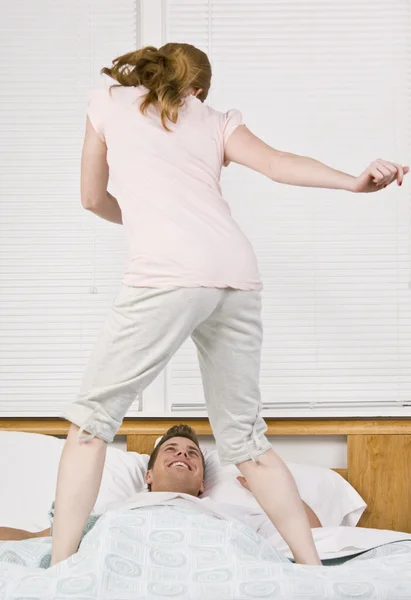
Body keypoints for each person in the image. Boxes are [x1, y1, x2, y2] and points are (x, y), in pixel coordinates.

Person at [51, 42, 409, 567]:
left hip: (169, 274)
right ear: (200, 88)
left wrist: (153, 223)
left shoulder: (107, 101)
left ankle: (59, 570)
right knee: (244, 439)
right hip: (237, 275)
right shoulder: (216, 120)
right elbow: (279, 163)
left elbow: (91, 198)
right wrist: (352, 182)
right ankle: (310, 568)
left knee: (90, 424)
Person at [0, 425, 321, 546]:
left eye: (191, 453)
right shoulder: (111, 512)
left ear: (202, 481)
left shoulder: (229, 514)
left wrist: (261, 488)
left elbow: (314, 535)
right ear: (148, 475)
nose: (182, 453)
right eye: (172, 450)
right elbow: (38, 539)